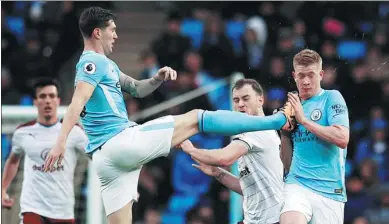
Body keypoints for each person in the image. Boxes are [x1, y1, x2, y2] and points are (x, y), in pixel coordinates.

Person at [43, 7, 295, 224]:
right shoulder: (91, 63)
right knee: (196, 117)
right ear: (97, 32)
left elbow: (136, 88)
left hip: (105, 161)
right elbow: (77, 102)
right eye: (112, 29)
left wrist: (156, 78)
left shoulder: (106, 65)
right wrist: (60, 142)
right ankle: (275, 120)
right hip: (119, 142)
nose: (116, 35)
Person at [180, 78, 284, 224]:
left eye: (246, 98)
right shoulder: (259, 130)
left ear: (261, 100)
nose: (240, 104)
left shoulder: (256, 131)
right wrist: (218, 173)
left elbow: (224, 158)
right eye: (236, 100)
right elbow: (250, 189)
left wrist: (191, 150)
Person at [1, 78, 88, 224]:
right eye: (42, 96)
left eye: (52, 96)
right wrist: (3, 189)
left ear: (58, 100)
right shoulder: (22, 132)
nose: (47, 101)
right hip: (32, 208)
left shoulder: (74, 132)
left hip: (62, 211)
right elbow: (13, 161)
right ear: (35, 102)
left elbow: (97, 158)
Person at [280, 49, 350, 224]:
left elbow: (342, 138)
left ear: (321, 74)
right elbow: (287, 164)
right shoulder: (292, 108)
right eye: (301, 75)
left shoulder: (331, 98)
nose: (305, 81)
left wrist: (304, 120)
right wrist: (285, 134)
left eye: (311, 75)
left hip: (329, 190)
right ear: (294, 75)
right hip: (297, 183)